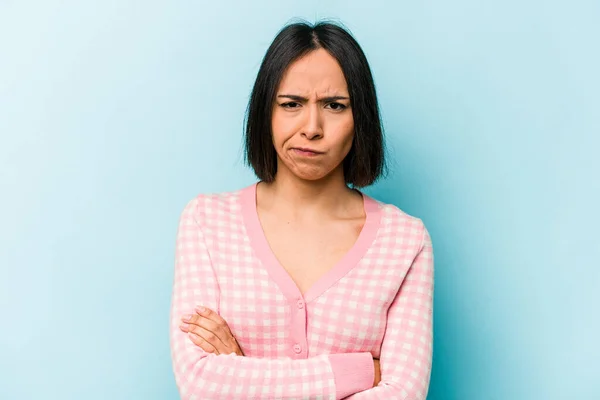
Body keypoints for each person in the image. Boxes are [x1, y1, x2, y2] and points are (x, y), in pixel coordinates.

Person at [169, 20, 434, 400]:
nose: (312, 127)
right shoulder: (208, 223)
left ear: (361, 118)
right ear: (266, 112)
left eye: (334, 105)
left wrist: (241, 369)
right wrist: (356, 371)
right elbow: (200, 383)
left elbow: (404, 393)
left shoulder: (405, 241)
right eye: (291, 104)